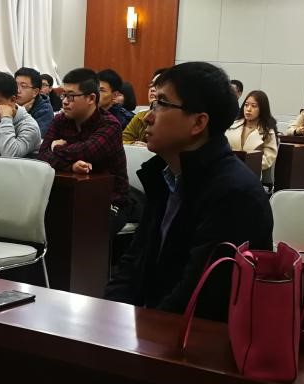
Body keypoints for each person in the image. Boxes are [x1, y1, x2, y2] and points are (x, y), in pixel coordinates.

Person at [105, 62, 273, 322]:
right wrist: (108, 316)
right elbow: (133, 263)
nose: (148, 117)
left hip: (196, 338)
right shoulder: (165, 176)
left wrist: (137, 332)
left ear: (198, 122)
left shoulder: (235, 194)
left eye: (161, 104)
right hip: (150, 328)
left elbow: (199, 297)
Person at [39, 67, 140, 236]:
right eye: (63, 95)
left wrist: (57, 148)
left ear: (91, 98)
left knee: (84, 231)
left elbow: (87, 151)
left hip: (108, 199)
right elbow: (43, 156)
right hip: (69, 195)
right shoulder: (60, 120)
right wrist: (70, 167)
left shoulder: (109, 125)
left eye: (71, 96)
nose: (65, 101)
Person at [225, 90, 279, 171]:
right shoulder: (233, 126)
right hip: (229, 169)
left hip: (252, 172)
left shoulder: (267, 131)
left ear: (262, 109)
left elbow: (268, 159)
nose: (248, 109)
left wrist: (247, 164)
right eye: (246, 105)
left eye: (254, 106)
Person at [122, 67, 168, 145]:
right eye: (152, 85)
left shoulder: (172, 118)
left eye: (158, 85)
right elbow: (121, 141)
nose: (152, 89)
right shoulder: (141, 116)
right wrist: (134, 144)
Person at [14, 66, 56, 137]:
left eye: (23, 86)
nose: (17, 90)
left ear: (35, 92)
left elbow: (31, 138)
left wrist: (21, 113)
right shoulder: (10, 101)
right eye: (15, 85)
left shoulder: (45, 110)